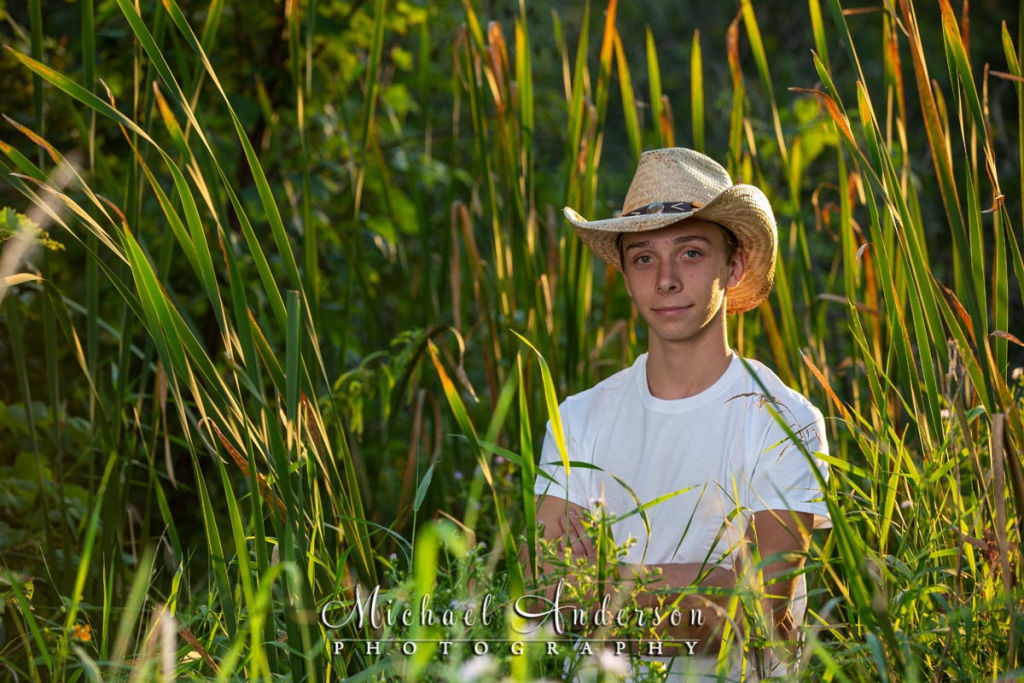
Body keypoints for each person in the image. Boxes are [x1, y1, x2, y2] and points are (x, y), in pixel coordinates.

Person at [531, 148, 831, 680]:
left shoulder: (784, 419)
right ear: (624, 274)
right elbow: (555, 597)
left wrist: (607, 585)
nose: (665, 279)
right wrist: (701, 584)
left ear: (733, 266)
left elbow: (758, 608)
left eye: (690, 253)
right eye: (644, 257)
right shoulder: (577, 418)